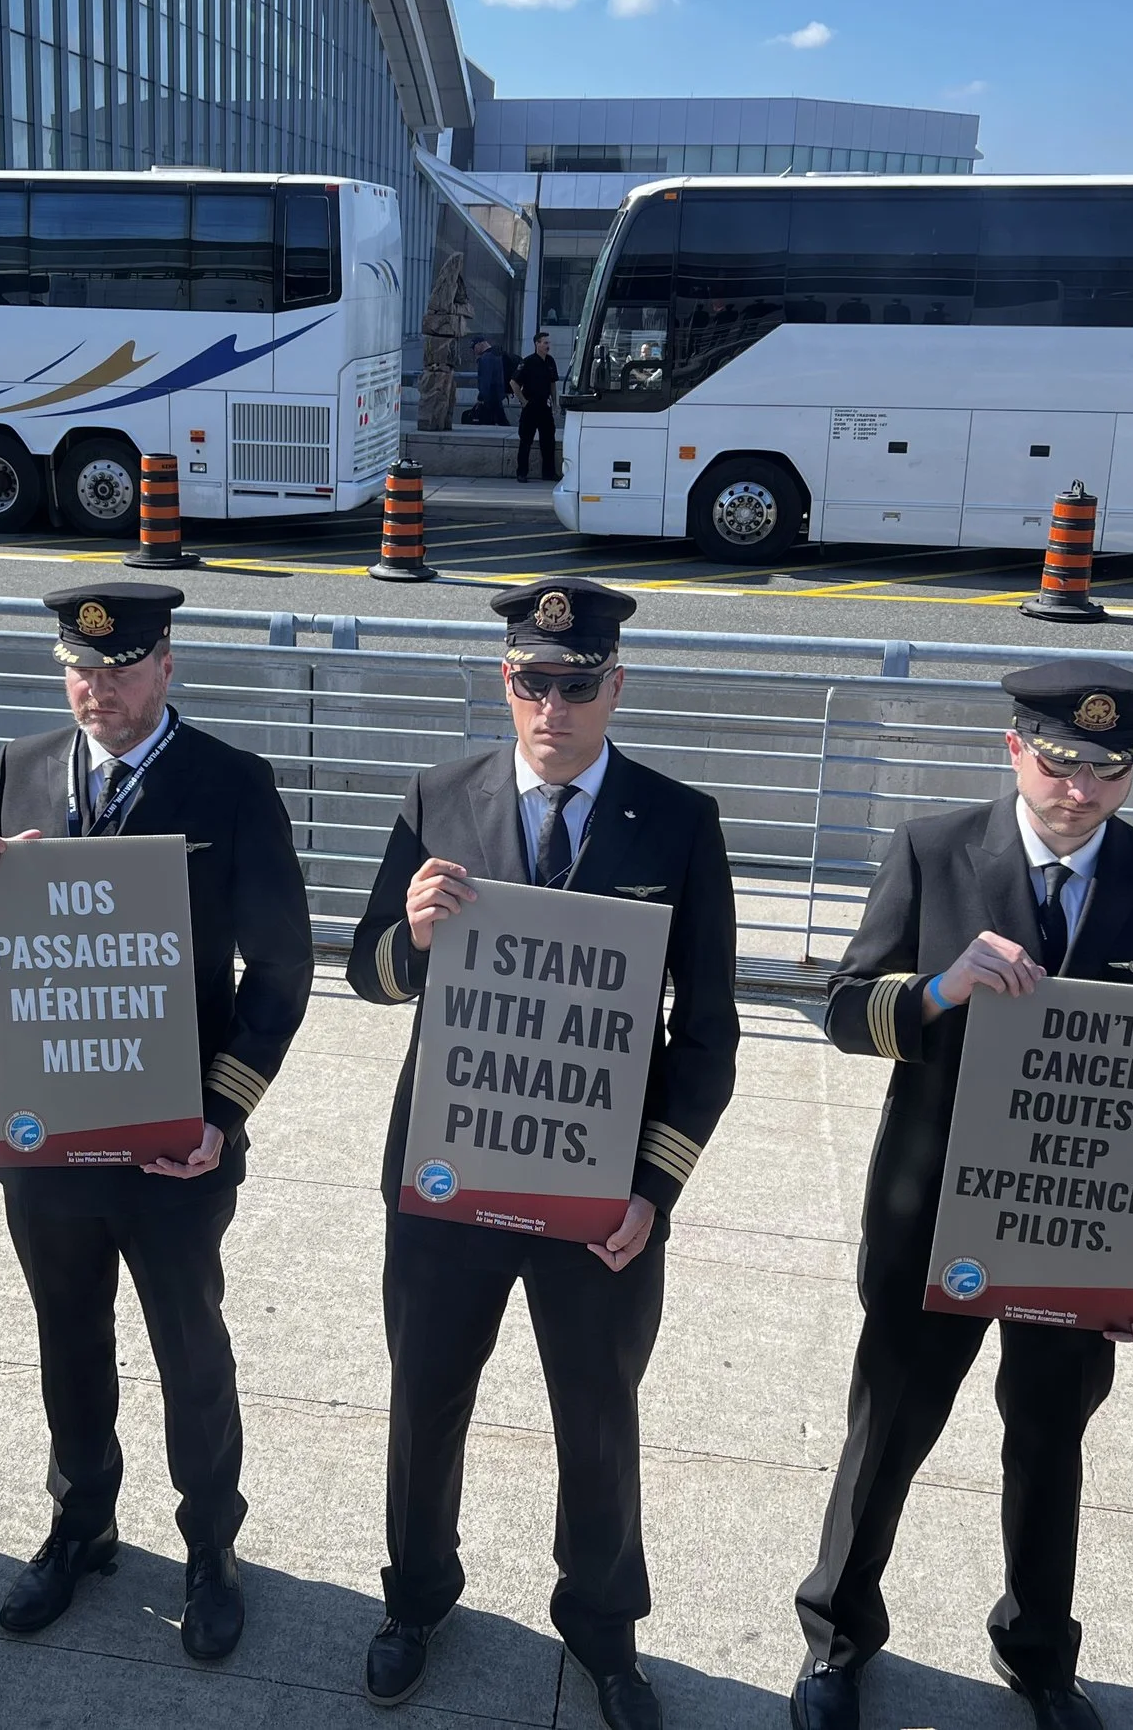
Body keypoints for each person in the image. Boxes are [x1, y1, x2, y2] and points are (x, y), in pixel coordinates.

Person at [345, 578, 738, 1730]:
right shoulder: (439, 797)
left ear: (614, 685)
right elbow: (365, 975)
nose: (550, 707)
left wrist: (654, 1186)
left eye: (574, 684)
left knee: (598, 1412)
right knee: (424, 1399)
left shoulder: (678, 821)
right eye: (530, 681)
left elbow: (704, 1034)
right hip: (447, 1171)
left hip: (597, 1187)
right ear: (501, 678)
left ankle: (603, 1626)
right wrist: (408, 938)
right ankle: (414, 1597)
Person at [794, 662, 1133, 1730]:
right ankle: (837, 1637)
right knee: (887, 1429)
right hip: (929, 1213)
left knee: (1048, 1442)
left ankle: (1037, 1655)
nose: (1079, 790)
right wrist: (939, 989)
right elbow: (844, 1011)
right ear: (1014, 748)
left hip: (1076, 1227)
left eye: (1108, 769)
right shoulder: (934, 853)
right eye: (1061, 761)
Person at [0, 582, 311, 1663]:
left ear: (165, 665)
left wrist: (222, 1109)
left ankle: (210, 1549)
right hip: (49, 1130)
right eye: (78, 668)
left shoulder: (231, 784)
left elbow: (281, 967)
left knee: (189, 1348)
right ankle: (81, 1522)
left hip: (173, 1139)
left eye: (118, 667)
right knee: (68, 1340)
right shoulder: (24, 765)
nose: (95, 687)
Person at [513, 332, 561, 484]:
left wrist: (555, 402)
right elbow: (514, 383)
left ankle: (549, 473)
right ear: (537, 344)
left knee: (548, 441)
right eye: (545, 343)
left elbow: (553, 384)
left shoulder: (550, 361)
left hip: (545, 407)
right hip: (531, 407)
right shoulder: (527, 362)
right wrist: (523, 401)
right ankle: (521, 473)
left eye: (548, 343)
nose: (548, 346)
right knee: (526, 440)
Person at [469, 336, 508, 425]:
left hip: (490, 396)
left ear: (480, 344)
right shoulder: (497, 354)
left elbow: (485, 379)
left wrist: (481, 396)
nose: (474, 351)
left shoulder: (486, 358)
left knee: (490, 422)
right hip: (497, 393)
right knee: (500, 419)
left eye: (474, 347)